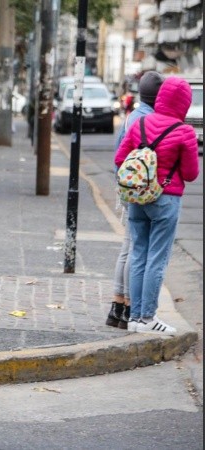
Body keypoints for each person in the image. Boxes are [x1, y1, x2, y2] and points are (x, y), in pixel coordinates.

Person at [114, 76, 200, 334]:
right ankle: (148, 317)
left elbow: (120, 159)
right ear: (184, 103)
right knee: (157, 259)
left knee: (138, 254)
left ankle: (134, 318)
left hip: (137, 198)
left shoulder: (139, 122)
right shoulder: (184, 131)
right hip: (166, 199)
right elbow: (191, 173)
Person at [107, 71, 163, 330]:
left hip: (127, 185)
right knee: (136, 248)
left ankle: (117, 305)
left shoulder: (132, 116)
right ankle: (129, 305)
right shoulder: (152, 119)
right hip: (143, 189)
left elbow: (119, 151)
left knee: (127, 247)